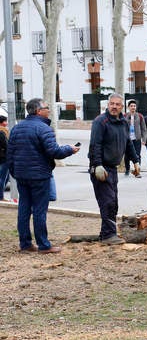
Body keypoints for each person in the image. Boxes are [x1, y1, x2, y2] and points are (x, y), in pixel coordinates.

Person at [6, 98, 79, 253]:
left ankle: (25, 244)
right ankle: (44, 245)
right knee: (39, 210)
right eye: (47, 107)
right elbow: (54, 152)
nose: (49, 110)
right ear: (39, 111)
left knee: (24, 209)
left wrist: (14, 172)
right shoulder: (44, 128)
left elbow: (10, 154)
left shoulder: (17, 128)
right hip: (39, 176)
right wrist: (69, 149)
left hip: (21, 176)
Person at [89, 93, 140, 244]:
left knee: (113, 202)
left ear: (121, 107)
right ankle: (108, 236)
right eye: (112, 104)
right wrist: (97, 164)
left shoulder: (123, 122)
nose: (114, 107)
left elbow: (128, 144)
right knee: (108, 202)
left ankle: (106, 233)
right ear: (108, 104)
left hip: (112, 168)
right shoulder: (100, 122)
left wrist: (136, 161)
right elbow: (95, 145)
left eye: (118, 104)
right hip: (101, 169)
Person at [124, 99, 145, 178]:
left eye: (134, 106)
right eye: (131, 106)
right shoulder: (124, 116)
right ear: (128, 107)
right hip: (127, 139)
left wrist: (144, 139)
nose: (133, 107)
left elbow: (143, 128)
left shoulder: (139, 116)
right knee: (127, 156)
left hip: (137, 139)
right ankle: (127, 169)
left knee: (137, 155)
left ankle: (137, 171)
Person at [0, 115, 9, 200]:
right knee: (3, 178)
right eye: (5, 121)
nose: (7, 123)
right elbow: (6, 145)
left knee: (6, 177)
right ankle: (1, 197)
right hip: (3, 158)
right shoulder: (2, 132)